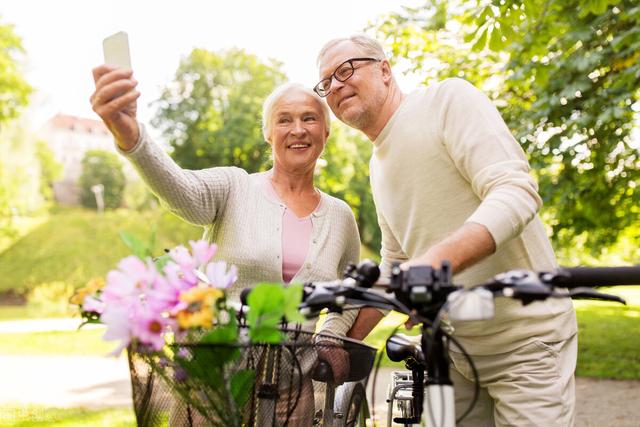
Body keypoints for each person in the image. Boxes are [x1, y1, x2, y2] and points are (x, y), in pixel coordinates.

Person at [315, 35, 578, 426]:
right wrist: (336, 334)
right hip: (451, 352)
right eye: (325, 83)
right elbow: (395, 265)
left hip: (524, 344)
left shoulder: (446, 101)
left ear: (384, 70)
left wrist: (430, 265)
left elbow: (515, 191)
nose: (335, 86)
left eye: (346, 69)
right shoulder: (377, 165)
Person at [90, 66, 362, 422]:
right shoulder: (235, 188)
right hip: (214, 383)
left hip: (291, 393)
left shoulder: (340, 217)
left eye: (309, 119)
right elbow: (180, 191)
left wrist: (331, 334)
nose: (298, 129)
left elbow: (354, 289)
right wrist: (132, 137)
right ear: (268, 133)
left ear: (325, 132)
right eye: (284, 120)